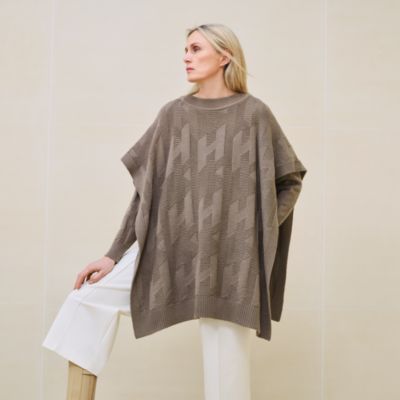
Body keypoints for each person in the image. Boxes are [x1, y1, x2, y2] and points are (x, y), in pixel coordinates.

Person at [42, 23, 307, 400]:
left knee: (227, 376)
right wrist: (113, 255)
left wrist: (254, 232)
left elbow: (289, 181)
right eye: (185, 50)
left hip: (231, 261)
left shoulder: (255, 114)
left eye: (196, 49)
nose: (186, 57)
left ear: (224, 56)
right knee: (86, 300)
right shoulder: (172, 115)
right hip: (171, 248)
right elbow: (145, 194)